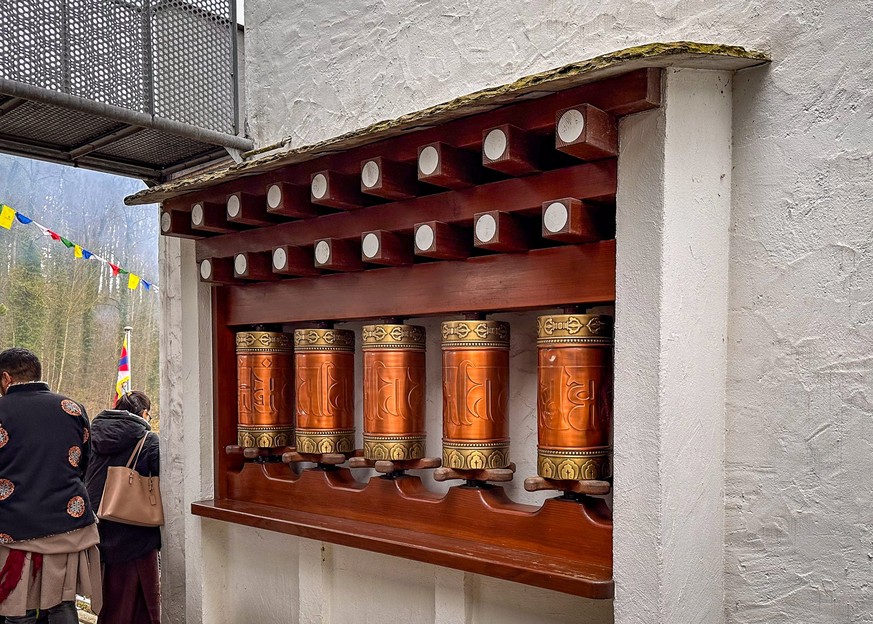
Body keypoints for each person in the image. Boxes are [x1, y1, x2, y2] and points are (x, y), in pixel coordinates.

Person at [0, 347, 102, 623]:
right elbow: (84, 464)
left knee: (17, 610)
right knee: (61, 605)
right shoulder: (72, 408)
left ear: (5, 378)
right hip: (66, 525)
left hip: (12, 529)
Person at [85, 391, 160, 624]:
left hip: (97, 522)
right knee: (138, 599)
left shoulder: (90, 435)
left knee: (108, 595)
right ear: (144, 413)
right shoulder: (148, 440)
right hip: (134, 528)